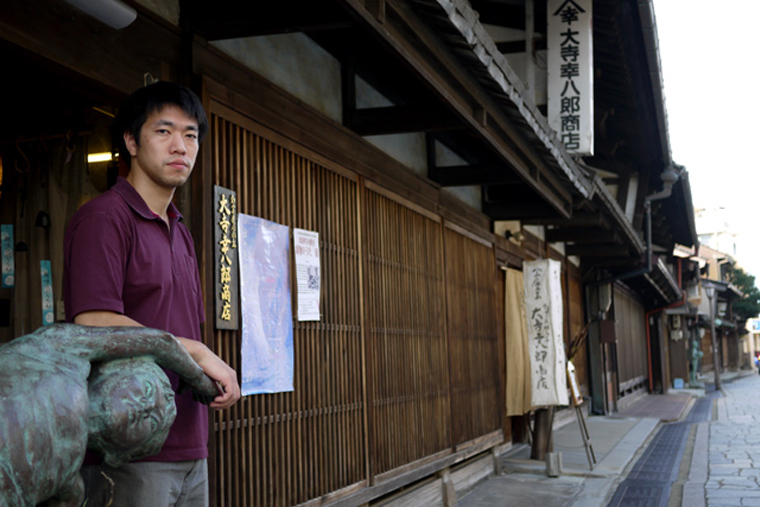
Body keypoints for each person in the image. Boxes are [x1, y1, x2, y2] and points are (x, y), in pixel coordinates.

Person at [64, 81, 241, 506]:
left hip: (189, 439)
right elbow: (94, 322)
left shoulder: (180, 230)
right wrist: (196, 353)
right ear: (131, 141)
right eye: (164, 132)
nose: (180, 146)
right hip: (128, 444)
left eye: (191, 134)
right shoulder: (105, 218)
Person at [0, 324, 220, 506]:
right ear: (108, 370)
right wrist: (200, 379)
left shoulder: (70, 490)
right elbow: (162, 343)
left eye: (153, 421)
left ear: (119, 456)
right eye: (147, 390)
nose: (145, 406)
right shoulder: (62, 353)